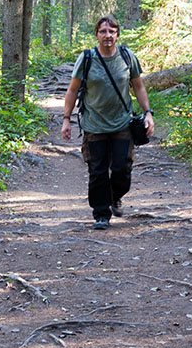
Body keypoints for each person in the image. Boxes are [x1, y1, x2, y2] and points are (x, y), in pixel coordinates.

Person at [61, 15, 154, 229]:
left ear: (117, 35)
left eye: (112, 31)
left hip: (122, 122)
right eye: (103, 31)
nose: (107, 35)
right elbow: (73, 90)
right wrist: (66, 119)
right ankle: (101, 214)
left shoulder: (126, 56)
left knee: (122, 168)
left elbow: (138, 86)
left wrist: (148, 113)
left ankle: (115, 196)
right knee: (98, 171)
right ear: (96, 35)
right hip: (94, 124)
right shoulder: (87, 59)